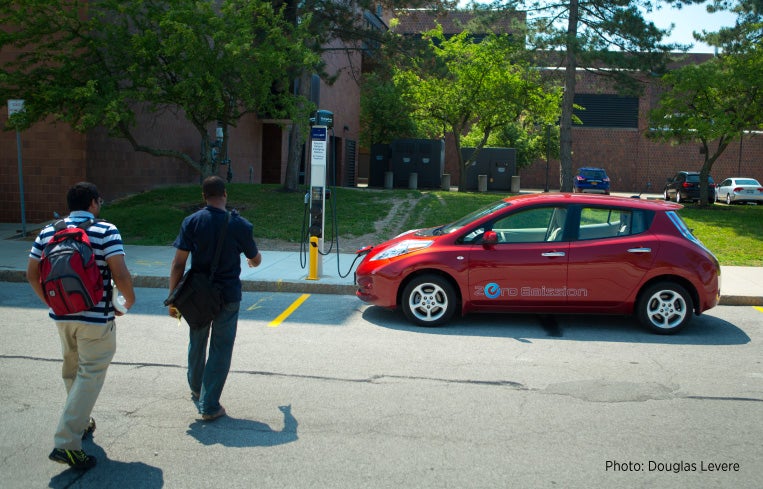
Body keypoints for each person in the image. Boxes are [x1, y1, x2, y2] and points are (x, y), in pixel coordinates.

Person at [26, 181, 136, 470]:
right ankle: (66, 443)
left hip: (62, 316)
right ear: (93, 204)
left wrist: (51, 303)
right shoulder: (106, 230)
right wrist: (130, 299)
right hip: (95, 317)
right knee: (91, 374)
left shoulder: (49, 231)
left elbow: (31, 273)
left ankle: (82, 422)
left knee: (72, 369)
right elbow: (119, 271)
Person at [168, 175, 262, 421]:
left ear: (204, 197)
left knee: (197, 340)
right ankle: (209, 405)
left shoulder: (192, 222)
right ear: (225, 194)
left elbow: (178, 263)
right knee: (221, 348)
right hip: (228, 295)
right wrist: (252, 259)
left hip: (197, 295)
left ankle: (198, 388)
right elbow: (255, 257)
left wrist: (173, 298)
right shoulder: (241, 225)